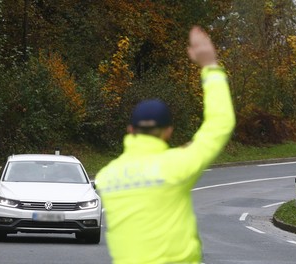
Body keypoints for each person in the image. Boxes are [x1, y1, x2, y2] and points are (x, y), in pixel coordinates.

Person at [95, 26, 236, 264]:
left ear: (130, 130)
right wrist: (210, 66)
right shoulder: (175, 167)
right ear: (169, 131)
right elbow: (220, 123)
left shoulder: (107, 177)